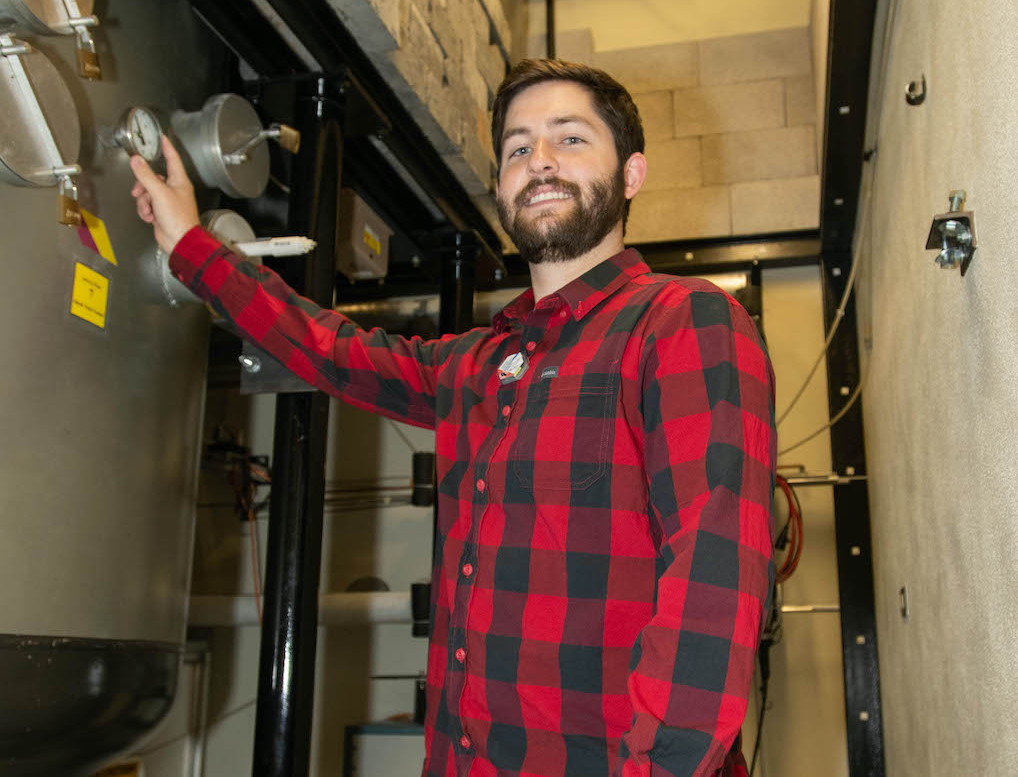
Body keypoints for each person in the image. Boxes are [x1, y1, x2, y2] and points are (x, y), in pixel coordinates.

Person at [132, 59, 776, 777]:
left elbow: (711, 580)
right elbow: (331, 351)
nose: (540, 163)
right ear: (500, 188)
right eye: (518, 149)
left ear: (630, 175)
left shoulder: (681, 319)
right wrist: (195, 249)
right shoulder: (475, 365)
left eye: (570, 139)